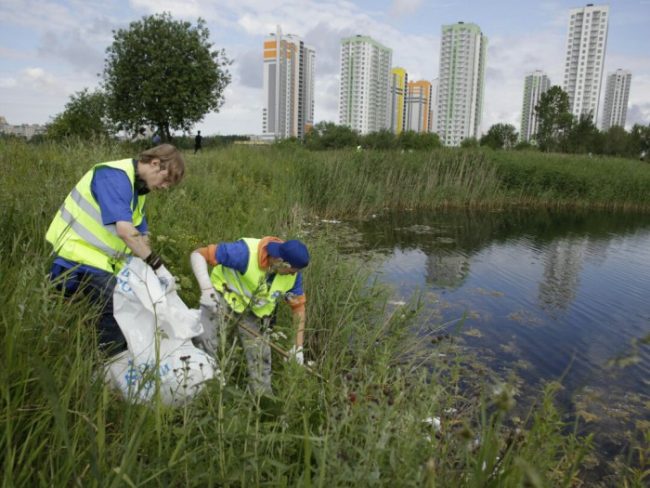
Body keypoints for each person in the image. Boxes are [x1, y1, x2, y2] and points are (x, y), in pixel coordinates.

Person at [46, 144, 185, 355]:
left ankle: (100, 355)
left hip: (100, 263)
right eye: (166, 179)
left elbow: (142, 237)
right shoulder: (113, 176)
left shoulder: (138, 192)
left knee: (133, 303)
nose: (165, 187)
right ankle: (106, 364)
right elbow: (126, 231)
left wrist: (151, 274)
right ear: (155, 164)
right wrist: (158, 267)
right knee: (118, 307)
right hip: (77, 257)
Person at [190, 237, 309, 396]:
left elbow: (298, 308)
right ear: (281, 261)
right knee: (205, 340)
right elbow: (198, 254)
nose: (293, 275)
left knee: (260, 359)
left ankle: (263, 402)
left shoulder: (293, 276)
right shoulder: (244, 253)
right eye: (292, 270)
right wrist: (206, 291)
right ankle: (201, 392)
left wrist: (298, 347)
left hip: (253, 313)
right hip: (220, 298)